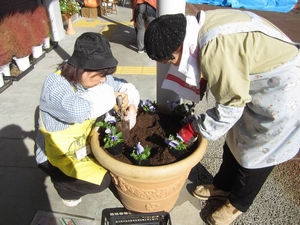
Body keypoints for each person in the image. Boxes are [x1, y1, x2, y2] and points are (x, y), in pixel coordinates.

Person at [144, 10, 300, 225]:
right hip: (257, 80)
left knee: (259, 152)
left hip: (282, 86)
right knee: (236, 137)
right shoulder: (199, 27)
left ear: (179, 46)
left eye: (170, 59)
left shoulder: (215, 50)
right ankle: (222, 186)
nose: (172, 65)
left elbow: (229, 110)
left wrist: (193, 128)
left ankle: (237, 204)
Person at [35, 32, 140, 207]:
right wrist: (112, 95)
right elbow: (78, 110)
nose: (103, 80)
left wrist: (132, 105)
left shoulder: (96, 80)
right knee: (102, 181)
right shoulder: (55, 84)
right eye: (99, 75)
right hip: (57, 155)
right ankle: (64, 186)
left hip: (81, 147)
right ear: (81, 68)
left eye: (105, 75)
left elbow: (123, 85)